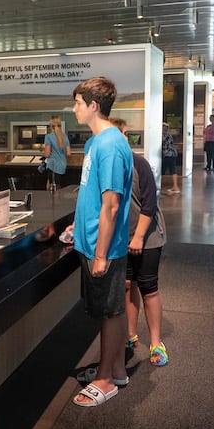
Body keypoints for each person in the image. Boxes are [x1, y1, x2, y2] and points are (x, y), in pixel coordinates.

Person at [66, 77, 133, 407]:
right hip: (92, 240)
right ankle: (116, 369)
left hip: (102, 246)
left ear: (94, 106)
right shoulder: (96, 143)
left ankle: (105, 379)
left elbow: (111, 203)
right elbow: (92, 196)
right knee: (113, 309)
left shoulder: (109, 145)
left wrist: (101, 254)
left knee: (108, 313)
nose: (74, 108)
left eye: (78, 103)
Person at [110, 118, 170, 367]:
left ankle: (156, 342)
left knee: (148, 287)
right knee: (126, 285)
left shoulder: (139, 164)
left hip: (149, 237)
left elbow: (149, 203)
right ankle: (130, 335)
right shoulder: (110, 165)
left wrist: (138, 237)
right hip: (124, 239)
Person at [43, 115, 71, 191]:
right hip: (62, 166)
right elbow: (68, 153)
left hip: (53, 166)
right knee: (58, 187)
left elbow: (47, 154)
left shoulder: (48, 137)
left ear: (50, 126)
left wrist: (43, 152)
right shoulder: (65, 137)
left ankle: (52, 203)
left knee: (50, 188)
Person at [161, 122, 180, 193]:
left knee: (163, 170)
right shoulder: (169, 135)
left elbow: (162, 143)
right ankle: (175, 186)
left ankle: (175, 187)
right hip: (172, 154)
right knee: (173, 170)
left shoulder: (164, 136)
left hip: (168, 155)